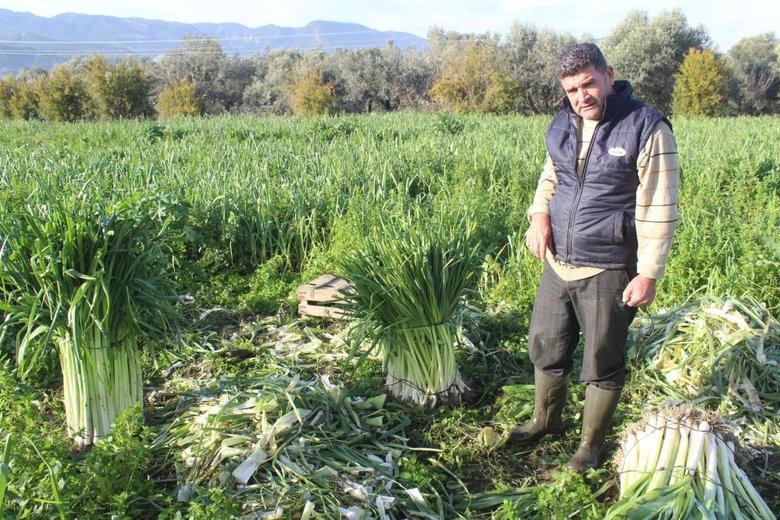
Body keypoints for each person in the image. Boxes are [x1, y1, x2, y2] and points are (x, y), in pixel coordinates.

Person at [507, 43, 679, 472]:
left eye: (588, 83)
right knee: (545, 345)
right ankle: (545, 421)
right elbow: (552, 176)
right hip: (558, 261)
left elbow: (659, 206)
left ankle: (590, 446)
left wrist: (648, 273)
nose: (581, 96)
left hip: (608, 264)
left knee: (602, 359)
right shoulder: (563, 123)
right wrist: (538, 216)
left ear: (608, 75)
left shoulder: (646, 127)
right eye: (571, 89)